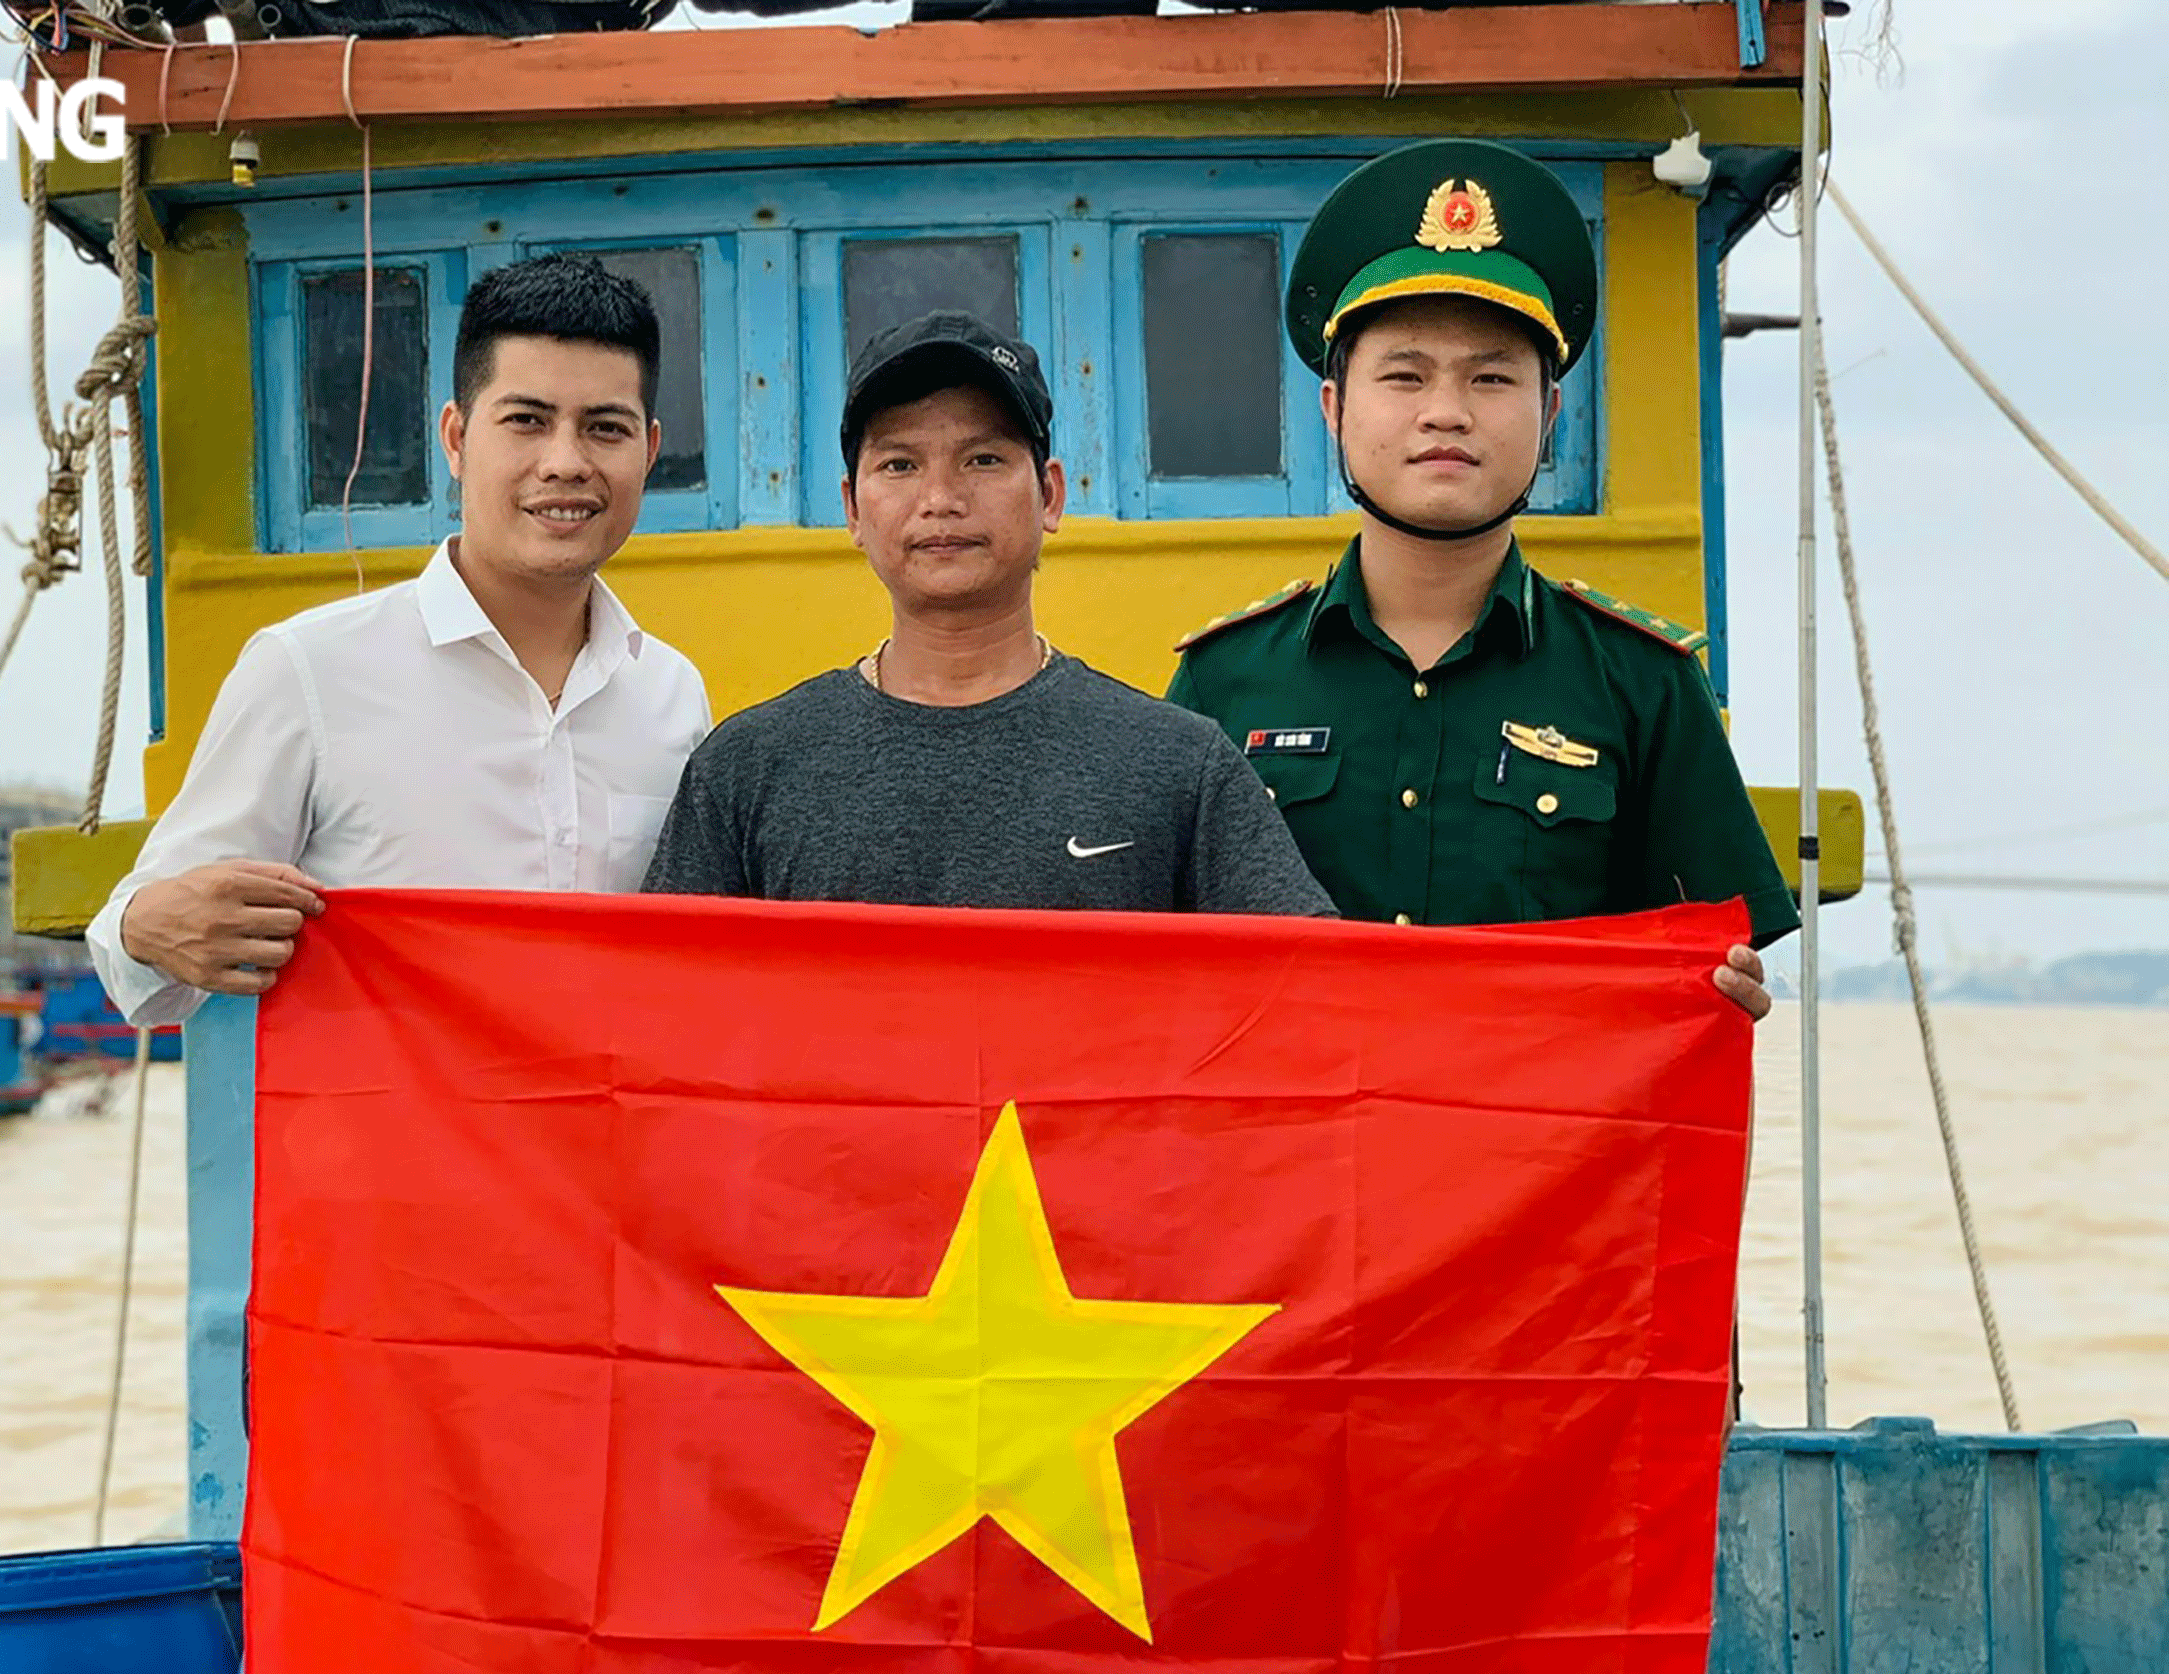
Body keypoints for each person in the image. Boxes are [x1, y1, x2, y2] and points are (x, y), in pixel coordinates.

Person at [1164, 140, 1792, 1013]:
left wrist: (1718, 1010)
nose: (1446, 412)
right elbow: (1158, 969)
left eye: (1492, 377)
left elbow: (1703, 987)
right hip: (1292, 1149)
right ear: (1334, 408)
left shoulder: (1645, 688)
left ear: (1552, 413)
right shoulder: (1225, 682)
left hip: (1541, 1150)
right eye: (1404, 375)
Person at [88, 254, 711, 1025]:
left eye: (604, 429)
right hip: (386, 1143)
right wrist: (143, 926)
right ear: (455, 437)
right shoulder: (308, 672)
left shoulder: (673, 695)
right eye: (526, 421)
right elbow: (142, 963)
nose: (565, 462)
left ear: (649, 451)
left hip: (612, 1143)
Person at [643, 310, 1328, 917]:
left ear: (1051, 495)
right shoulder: (746, 769)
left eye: (984, 457)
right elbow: (666, 1016)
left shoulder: (1180, 766)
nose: (941, 498)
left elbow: (1303, 1000)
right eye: (901, 465)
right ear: (853, 508)